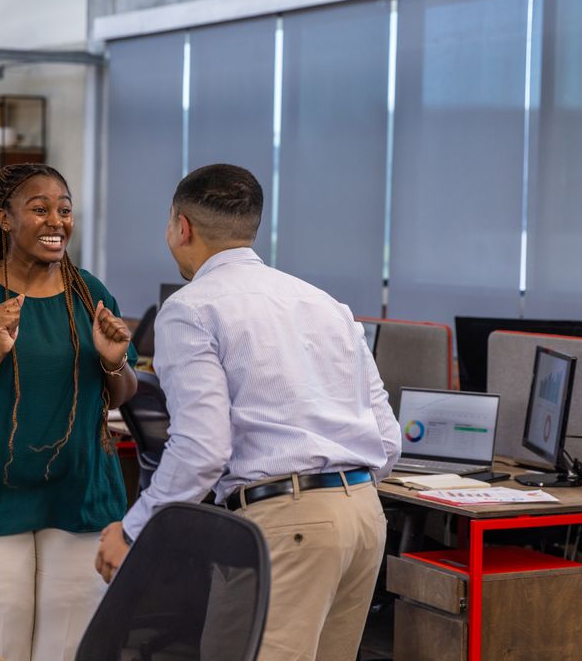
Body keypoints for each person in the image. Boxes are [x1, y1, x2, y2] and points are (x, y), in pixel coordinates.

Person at [95, 163, 402, 661]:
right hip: (365, 519)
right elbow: (387, 442)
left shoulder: (191, 309)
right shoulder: (326, 304)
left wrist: (133, 530)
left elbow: (203, 447)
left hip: (287, 523)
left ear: (182, 227)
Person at [0, 163, 137, 661]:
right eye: (39, 209)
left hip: (79, 499)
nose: (55, 220)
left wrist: (113, 359)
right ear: (5, 219)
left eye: (64, 209)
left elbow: (121, 392)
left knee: (69, 652)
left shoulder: (91, 293)